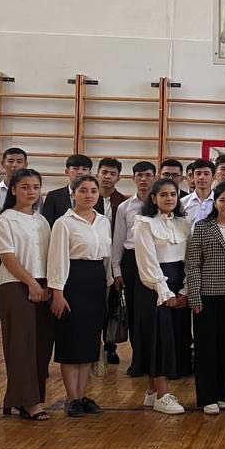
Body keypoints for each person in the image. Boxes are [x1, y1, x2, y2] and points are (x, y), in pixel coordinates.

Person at [47, 174, 111, 417]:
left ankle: (82, 395)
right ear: (73, 194)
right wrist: (57, 292)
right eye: (83, 190)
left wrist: (108, 285)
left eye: (93, 190)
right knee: (71, 341)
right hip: (72, 282)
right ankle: (71, 397)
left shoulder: (103, 221)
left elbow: (106, 259)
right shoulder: (64, 223)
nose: (89, 195)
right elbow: (57, 259)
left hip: (96, 283)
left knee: (89, 343)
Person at [0, 168, 53, 420]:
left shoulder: (42, 220)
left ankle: (26, 398)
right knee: (20, 345)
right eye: (25, 187)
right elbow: (8, 258)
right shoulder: (4, 220)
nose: (31, 192)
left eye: (35, 187)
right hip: (16, 285)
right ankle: (28, 402)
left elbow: (49, 255)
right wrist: (31, 283)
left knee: (41, 345)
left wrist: (47, 284)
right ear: (14, 190)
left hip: (43, 285)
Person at [186, 182, 225, 414]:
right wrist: (194, 296)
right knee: (205, 349)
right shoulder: (202, 226)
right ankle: (206, 397)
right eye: (223, 200)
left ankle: (221, 394)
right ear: (215, 202)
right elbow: (193, 263)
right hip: (206, 296)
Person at [133, 178, 193, 415]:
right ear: (154, 198)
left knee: (174, 338)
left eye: (173, 194)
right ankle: (162, 395)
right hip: (154, 288)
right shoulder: (144, 223)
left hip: (178, 285)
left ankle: (152, 392)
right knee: (158, 339)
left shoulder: (183, 223)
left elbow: (189, 259)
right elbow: (147, 261)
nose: (169, 198)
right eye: (164, 194)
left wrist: (185, 290)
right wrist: (164, 291)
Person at [0, 146, 32, 375]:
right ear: (3, 163)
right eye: (10, 160)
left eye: (19, 161)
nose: (14, 164)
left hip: (23, 266)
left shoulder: (35, 205)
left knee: (22, 329)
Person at [111, 161, 157, 377]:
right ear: (133, 178)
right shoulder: (125, 207)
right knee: (134, 313)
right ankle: (138, 360)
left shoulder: (161, 203)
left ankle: (155, 360)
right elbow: (118, 239)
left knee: (152, 313)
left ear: (154, 177)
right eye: (139, 175)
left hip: (155, 260)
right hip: (131, 261)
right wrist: (117, 270)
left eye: (148, 175)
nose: (143, 179)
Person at [97, 156, 127, 365]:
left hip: (113, 258)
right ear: (97, 173)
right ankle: (92, 345)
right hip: (92, 258)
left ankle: (110, 346)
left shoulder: (122, 202)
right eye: (104, 172)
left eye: (112, 173)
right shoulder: (88, 197)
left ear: (118, 177)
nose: (107, 177)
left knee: (112, 305)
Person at [42, 154, 98, 227]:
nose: (80, 172)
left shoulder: (96, 197)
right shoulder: (53, 196)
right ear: (67, 171)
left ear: (89, 173)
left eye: (84, 169)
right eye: (75, 168)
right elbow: (47, 224)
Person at [181, 158, 216, 224]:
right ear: (193, 177)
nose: (201, 177)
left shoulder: (219, 202)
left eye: (206, 174)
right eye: (198, 174)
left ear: (213, 177)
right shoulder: (183, 203)